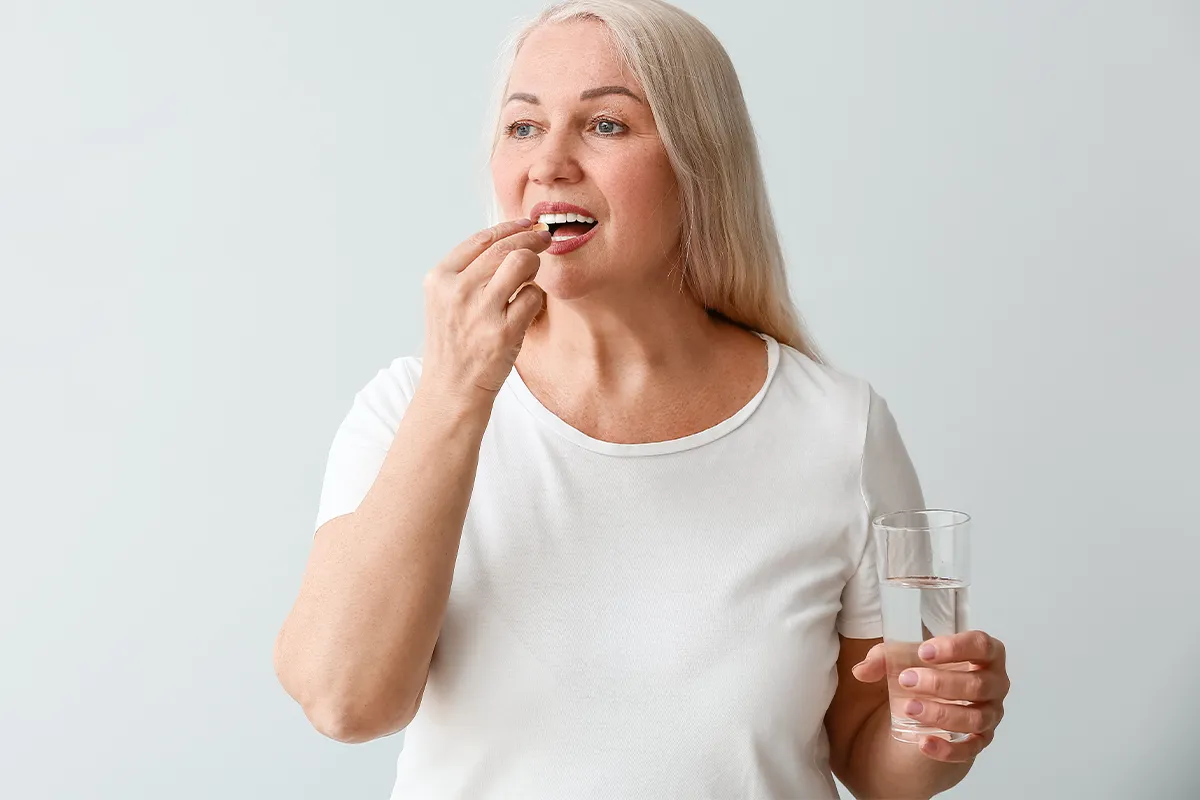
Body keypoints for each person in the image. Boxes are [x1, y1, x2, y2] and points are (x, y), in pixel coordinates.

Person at [273, 1, 1011, 797]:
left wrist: (939, 726)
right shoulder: (407, 408)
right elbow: (344, 702)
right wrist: (459, 390)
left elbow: (874, 751)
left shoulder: (836, 427)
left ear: (701, 162)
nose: (548, 163)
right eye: (523, 127)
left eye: (606, 126)